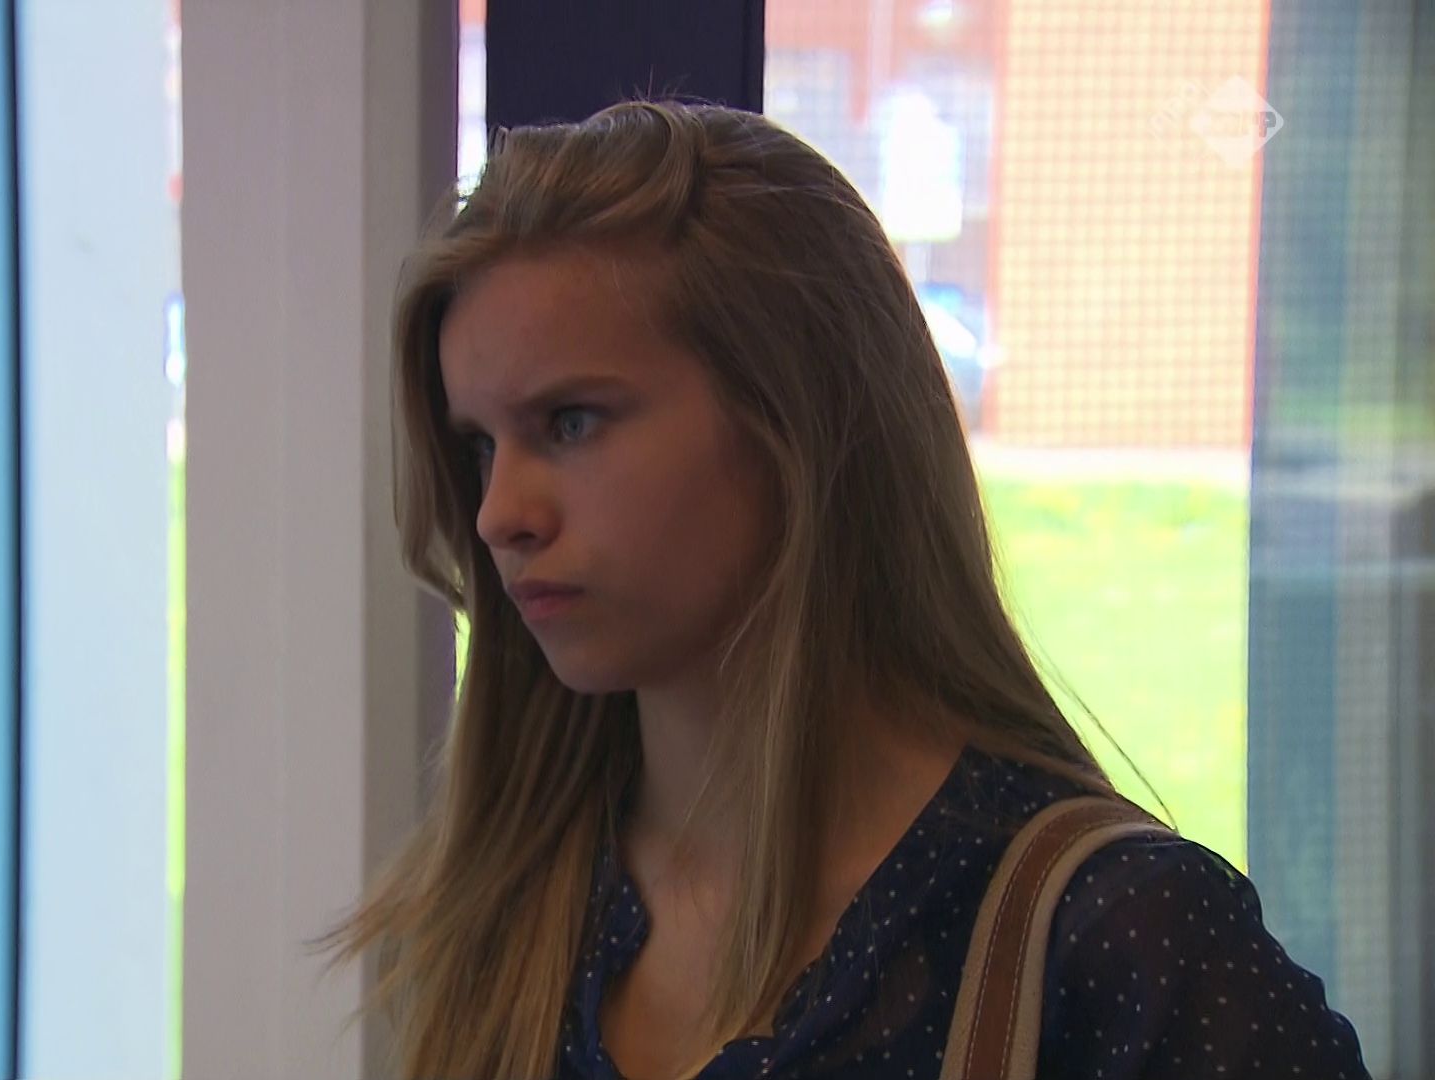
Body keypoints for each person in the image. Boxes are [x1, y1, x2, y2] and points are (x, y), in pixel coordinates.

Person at [312, 98, 1370, 1080]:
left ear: (798, 424)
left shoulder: (1119, 949)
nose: (500, 512)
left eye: (572, 422)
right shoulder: (510, 917)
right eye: (481, 445)